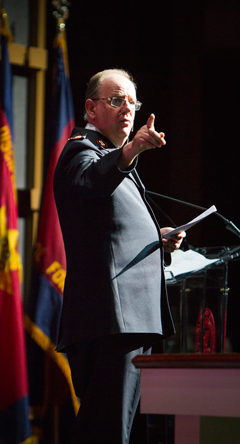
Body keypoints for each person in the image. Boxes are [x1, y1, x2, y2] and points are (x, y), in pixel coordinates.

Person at [53, 69, 184, 444]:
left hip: (130, 318)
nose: (128, 109)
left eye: (132, 102)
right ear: (91, 109)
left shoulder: (113, 158)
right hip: (112, 319)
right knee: (105, 430)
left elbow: (110, 229)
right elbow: (88, 182)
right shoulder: (81, 150)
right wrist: (131, 151)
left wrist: (156, 240)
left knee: (119, 429)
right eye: (116, 100)